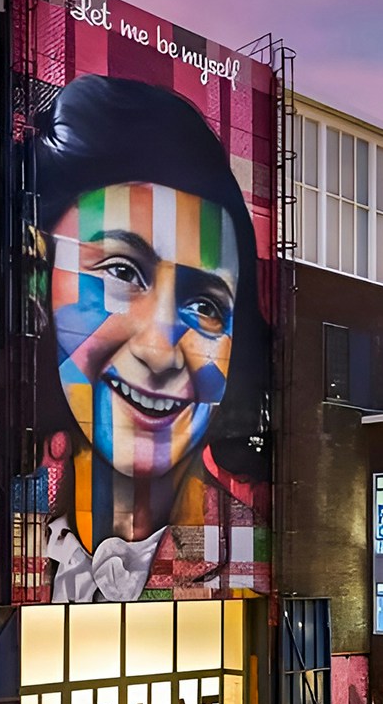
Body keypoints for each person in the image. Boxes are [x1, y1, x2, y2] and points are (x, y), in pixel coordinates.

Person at [17, 74, 269, 603]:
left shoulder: (246, 560)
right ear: (40, 279)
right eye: (122, 272)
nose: (159, 350)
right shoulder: (6, 518)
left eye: (206, 306)